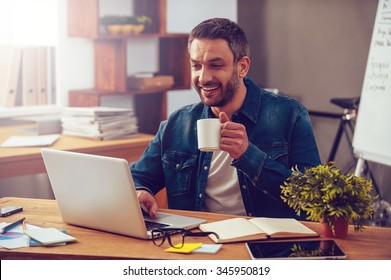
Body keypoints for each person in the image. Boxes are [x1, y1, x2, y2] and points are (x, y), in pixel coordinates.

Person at [131, 18, 321, 219]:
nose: (203, 77)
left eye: (215, 65)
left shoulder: (290, 116)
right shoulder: (176, 124)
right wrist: (140, 190)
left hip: (266, 246)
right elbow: (137, 178)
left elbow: (315, 199)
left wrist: (248, 156)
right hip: (197, 243)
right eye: (196, 66)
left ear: (243, 67)